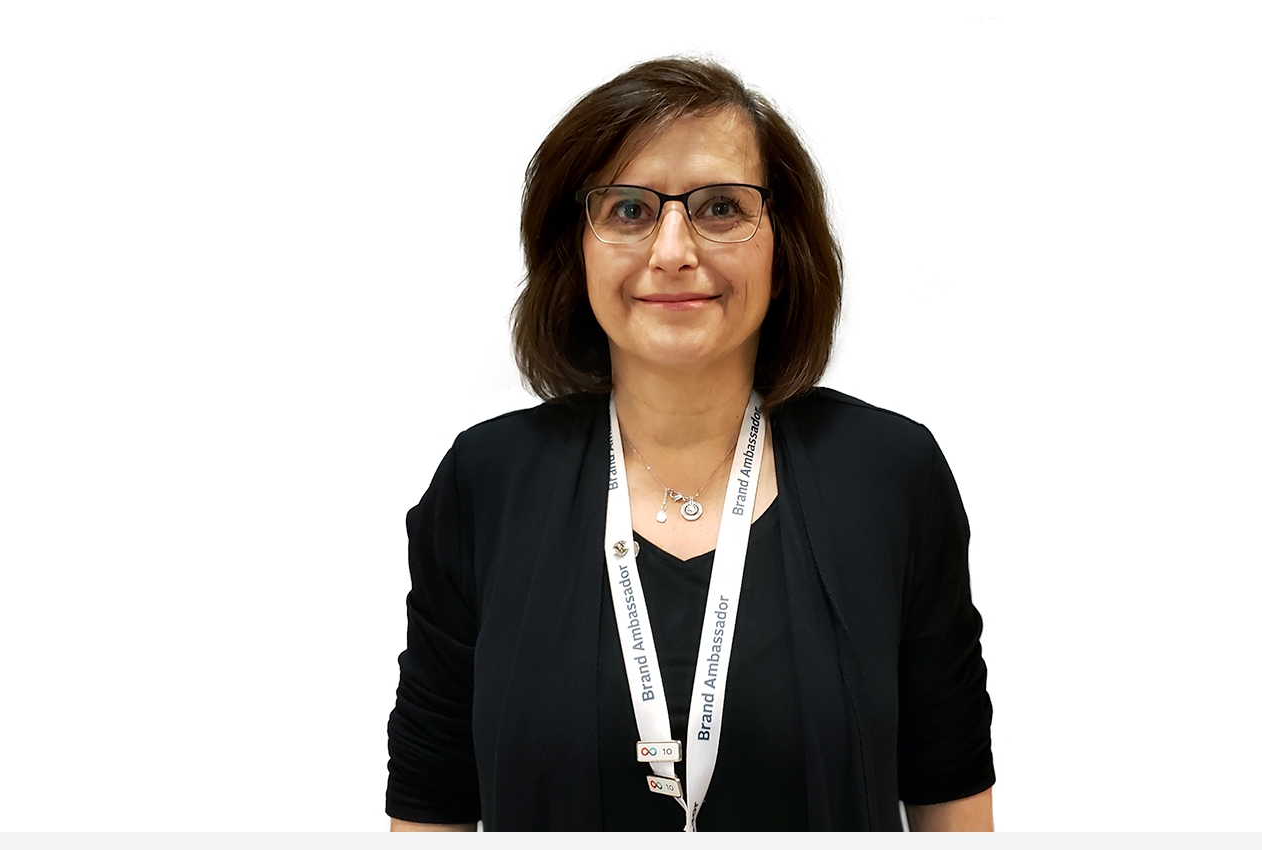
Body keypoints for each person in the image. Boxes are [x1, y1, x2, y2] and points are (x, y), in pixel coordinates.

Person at [385, 56, 993, 832]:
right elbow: (431, 807)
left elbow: (951, 794)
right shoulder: (487, 484)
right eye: (630, 211)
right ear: (575, 248)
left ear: (784, 244)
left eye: (718, 208)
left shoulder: (888, 476)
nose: (673, 251)